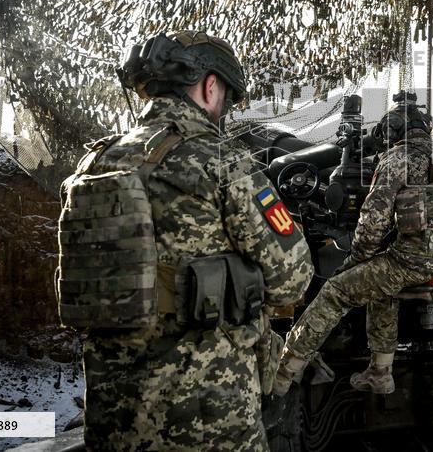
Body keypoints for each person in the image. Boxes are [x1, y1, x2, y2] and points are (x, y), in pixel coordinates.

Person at [71, 31, 313, 450]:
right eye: (227, 98)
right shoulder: (221, 160)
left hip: (113, 415)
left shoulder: (96, 162)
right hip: (207, 417)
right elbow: (292, 279)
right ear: (209, 85)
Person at [272, 92, 433, 395]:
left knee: (336, 291)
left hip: (413, 262)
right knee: (381, 286)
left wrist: (354, 260)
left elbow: (373, 220)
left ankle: (282, 373)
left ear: (394, 129)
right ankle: (380, 373)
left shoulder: (397, 158)